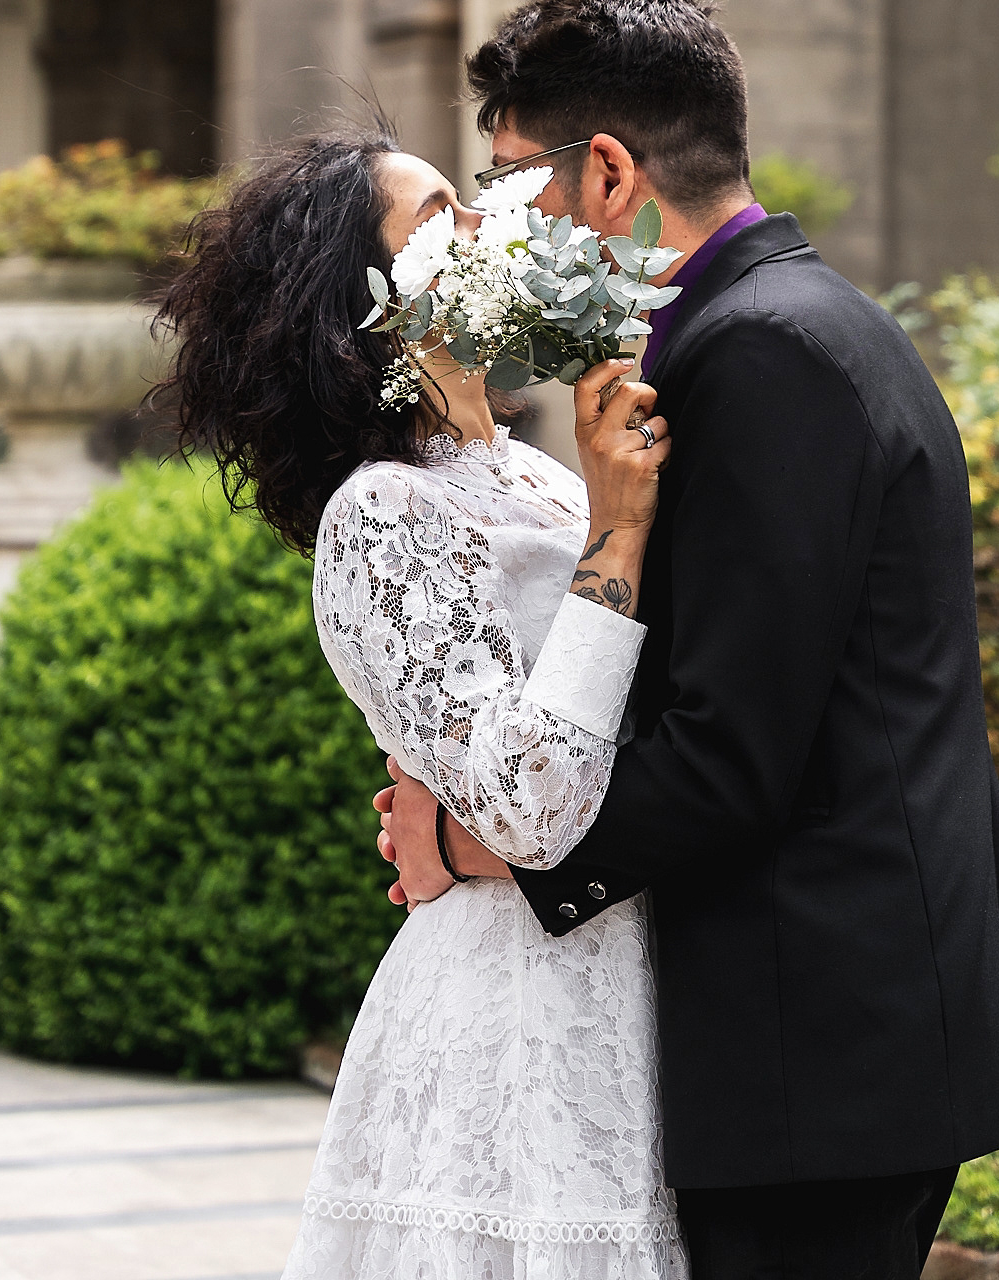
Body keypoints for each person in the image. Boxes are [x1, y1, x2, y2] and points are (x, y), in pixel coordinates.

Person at [379, 0, 999, 1280]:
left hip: (821, 1050)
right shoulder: (779, 326)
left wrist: (474, 845)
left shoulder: (761, 358)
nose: (496, 223)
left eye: (516, 181)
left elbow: (731, 758)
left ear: (612, 176)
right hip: (838, 1038)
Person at [158, 132, 689, 1280]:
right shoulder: (381, 515)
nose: (491, 222)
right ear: (366, 301)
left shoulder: (548, 475)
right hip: (518, 998)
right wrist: (618, 534)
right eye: (442, 212)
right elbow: (532, 813)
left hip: (653, 961)